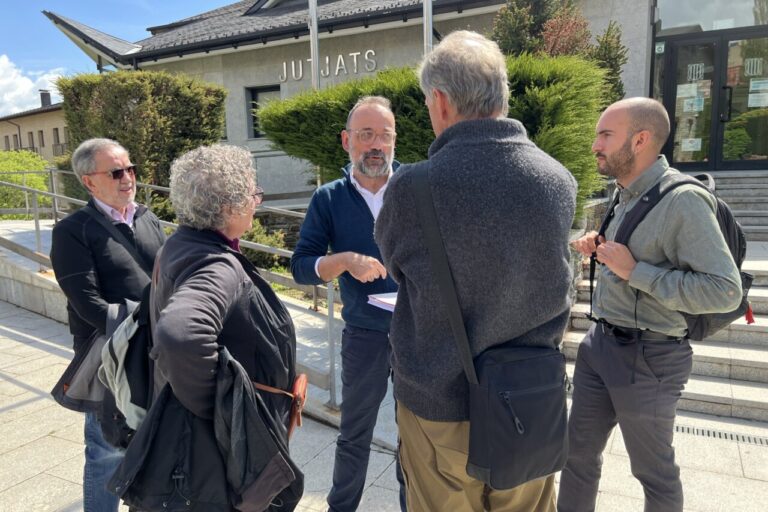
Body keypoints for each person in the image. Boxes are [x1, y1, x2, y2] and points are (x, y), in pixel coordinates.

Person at [375, 30, 577, 512]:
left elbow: (395, 266)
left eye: (428, 103)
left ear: (441, 101)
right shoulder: (558, 180)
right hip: (529, 400)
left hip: (440, 404)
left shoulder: (411, 188)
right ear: (502, 97)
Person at [558, 98, 743, 512]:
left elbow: (725, 290)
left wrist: (635, 271)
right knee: (576, 457)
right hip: (599, 345)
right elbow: (630, 252)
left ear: (640, 140)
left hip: (650, 357)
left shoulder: (683, 201)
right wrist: (599, 247)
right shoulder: (624, 192)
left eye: (606, 135)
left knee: (654, 474)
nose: (595, 145)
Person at [150, 144, 301, 507]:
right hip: (223, 451)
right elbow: (180, 335)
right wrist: (222, 409)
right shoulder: (215, 264)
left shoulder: (181, 244)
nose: (257, 201)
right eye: (253, 193)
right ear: (229, 207)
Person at [290, 95, 406, 512]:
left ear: (395, 140)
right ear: (346, 140)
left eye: (384, 135)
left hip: (418, 333)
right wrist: (342, 261)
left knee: (415, 437)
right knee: (355, 433)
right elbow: (301, 266)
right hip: (364, 335)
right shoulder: (329, 198)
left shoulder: (416, 188)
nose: (376, 145)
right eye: (365, 135)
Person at [50, 138, 166, 511]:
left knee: (153, 442)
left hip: (156, 349)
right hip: (111, 356)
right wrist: (141, 333)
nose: (128, 178)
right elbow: (87, 303)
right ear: (89, 181)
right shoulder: (72, 230)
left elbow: (166, 277)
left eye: (130, 169)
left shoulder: (147, 217)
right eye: (116, 172)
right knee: (107, 450)